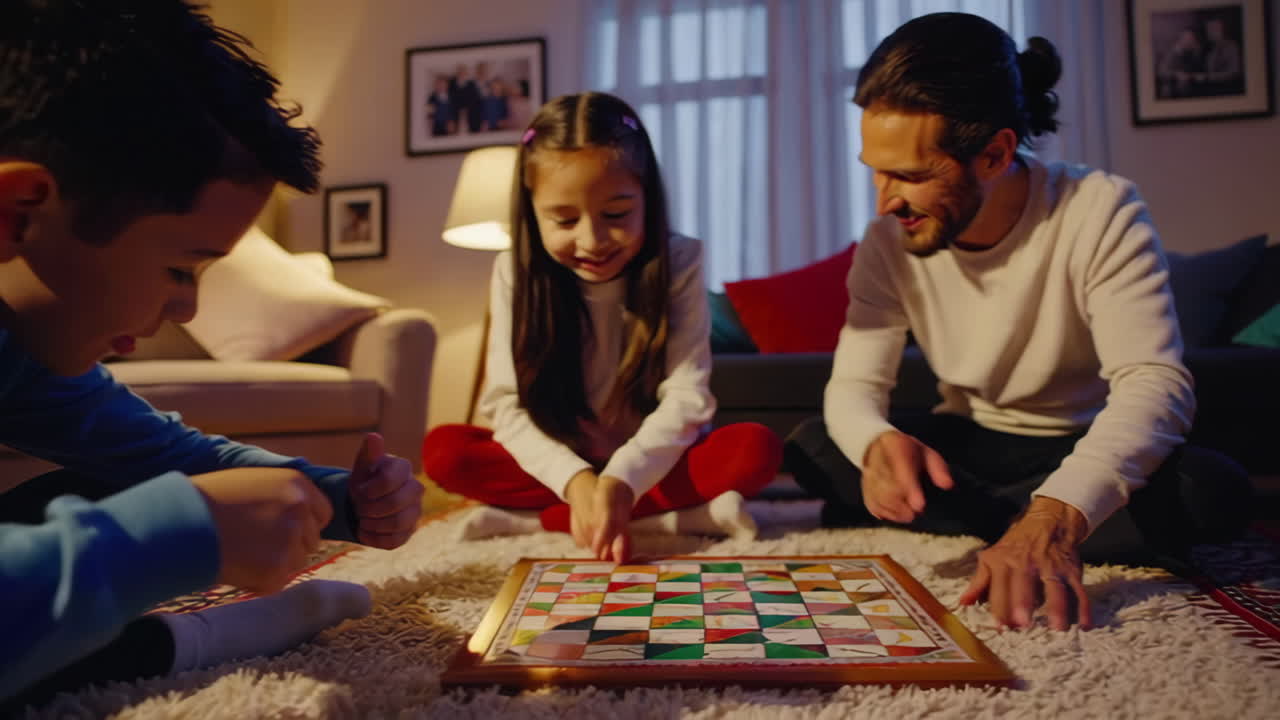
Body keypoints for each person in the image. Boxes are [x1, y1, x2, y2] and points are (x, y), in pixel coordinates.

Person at [0, 0, 424, 709]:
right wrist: (171, 535)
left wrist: (342, 499)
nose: (187, 309)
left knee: (98, 494)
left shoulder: (25, 352)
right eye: (180, 269)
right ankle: (193, 641)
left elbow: (171, 456)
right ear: (20, 212)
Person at [783, 13, 1252, 632]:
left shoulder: (1100, 209)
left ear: (995, 154)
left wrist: (1056, 512)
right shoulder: (886, 241)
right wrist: (874, 444)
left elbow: (1154, 382)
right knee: (816, 446)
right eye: (876, 168)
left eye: (911, 175)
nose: (884, 200)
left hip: (1074, 443)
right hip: (973, 441)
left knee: (1211, 489)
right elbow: (853, 389)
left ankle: (1021, 524)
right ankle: (1029, 523)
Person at [423, 92, 782, 561]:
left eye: (616, 214)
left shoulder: (680, 261)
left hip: (650, 461)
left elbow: (687, 398)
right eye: (565, 219)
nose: (592, 240)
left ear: (646, 199)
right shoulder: (514, 270)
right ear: (532, 211)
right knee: (445, 452)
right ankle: (678, 516)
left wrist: (622, 479)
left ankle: (532, 521)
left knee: (754, 450)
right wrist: (577, 481)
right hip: (562, 464)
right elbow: (505, 405)